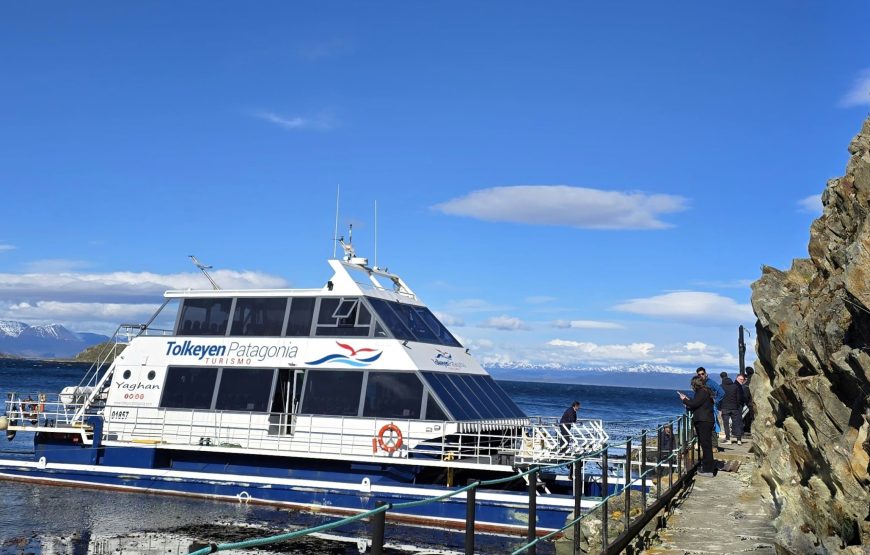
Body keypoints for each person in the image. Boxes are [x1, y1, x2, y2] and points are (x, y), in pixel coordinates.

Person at [679, 376, 716, 476]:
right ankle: (707, 467)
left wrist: (684, 400)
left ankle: (708, 470)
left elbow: (694, 404)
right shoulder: (705, 391)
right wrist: (688, 401)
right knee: (706, 444)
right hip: (706, 420)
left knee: (706, 445)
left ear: (695, 384)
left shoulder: (701, 392)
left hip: (703, 421)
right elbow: (698, 404)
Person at [696, 367, 724, 450]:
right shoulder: (699, 383)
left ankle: (714, 446)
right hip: (702, 408)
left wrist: (716, 401)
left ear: (706, 374)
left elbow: (721, 392)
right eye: (699, 374)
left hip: (711, 407)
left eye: (702, 374)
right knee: (702, 425)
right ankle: (702, 444)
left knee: (713, 425)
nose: (701, 375)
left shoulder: (710, 382)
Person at [720, 373, 744, 444]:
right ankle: (739, 439)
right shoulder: (735, 386)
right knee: (737, 423)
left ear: (721, 378)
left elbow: (719, 398)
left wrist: (719, 408)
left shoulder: (721, 386)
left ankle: (728, 439)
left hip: (724, 407)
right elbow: (738, 398)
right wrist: (736, 406)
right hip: (734, 407)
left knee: (726, 424)